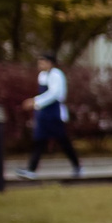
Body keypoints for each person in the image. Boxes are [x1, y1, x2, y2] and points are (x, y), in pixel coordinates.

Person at [19, 50, 81, 179]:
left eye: (42, 62)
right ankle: (31, 169)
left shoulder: (57, 75)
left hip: (54, 114)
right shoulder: (42, 75)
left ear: (50, 63)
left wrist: (35, 101)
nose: (40, 64)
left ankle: (77, 167)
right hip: (43, 113)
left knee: (63, 141)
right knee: (39, 140)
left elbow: (54, 94)